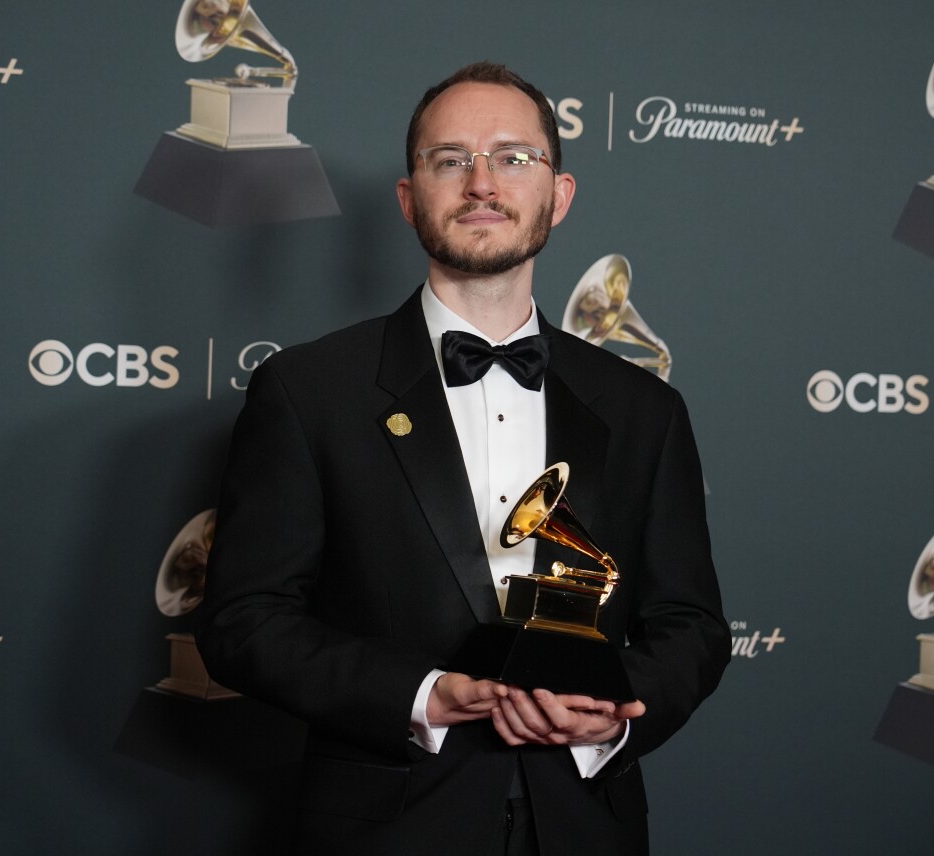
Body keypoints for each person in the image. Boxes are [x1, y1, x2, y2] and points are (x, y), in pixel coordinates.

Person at [196, 61, 729, 856]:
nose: (483, 182)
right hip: (384, 829)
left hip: (588, 825)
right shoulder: (308, 391)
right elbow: (243, 620)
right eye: (451, 160)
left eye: (515, 157)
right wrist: (419, 695)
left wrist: (609, 715)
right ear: (411, 200)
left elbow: (690, 626)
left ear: (560, 194)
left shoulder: (645, 409)